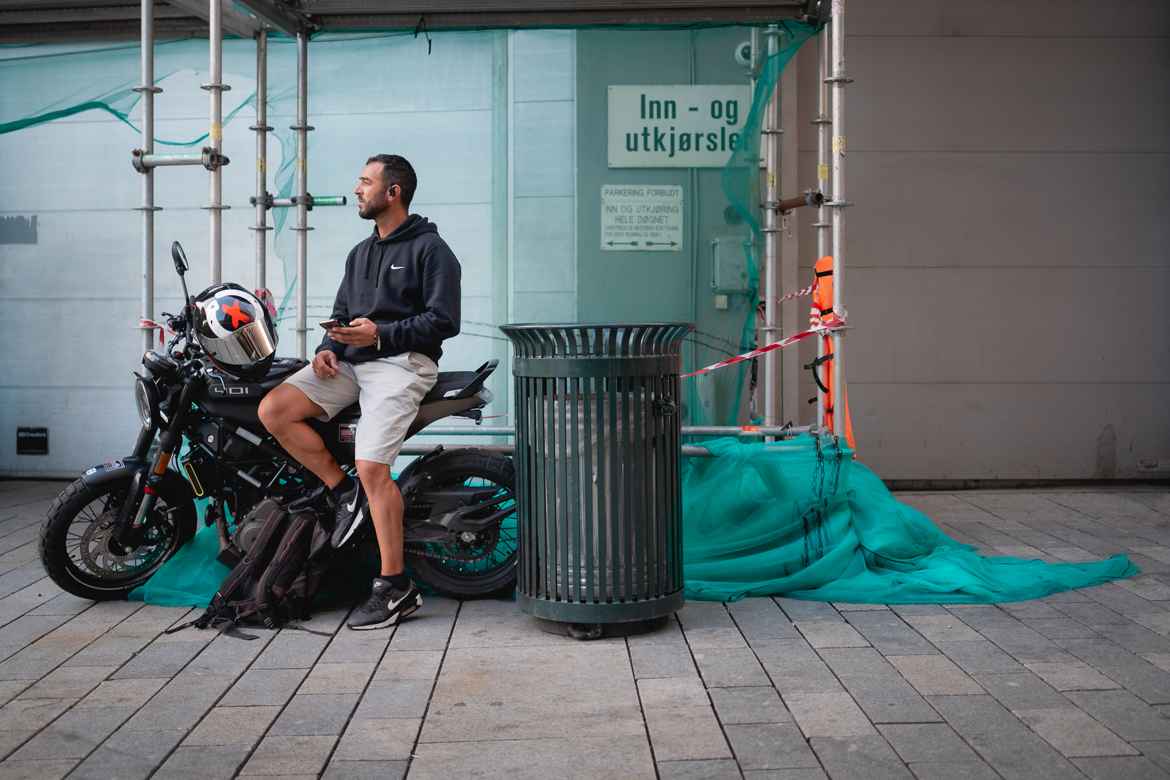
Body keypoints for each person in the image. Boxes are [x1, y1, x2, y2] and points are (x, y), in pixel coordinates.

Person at [258, 154, 461, 630]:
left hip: (403, 363)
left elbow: (444, 320)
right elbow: (342, 312)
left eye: (366, 182)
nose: (357, 189)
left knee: (374, 466)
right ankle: (342, 490)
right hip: (352, 363)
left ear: (393, 193)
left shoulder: (432, 250)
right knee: (275, 409)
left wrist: (382, 335)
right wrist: (329, 346)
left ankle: (395, 586)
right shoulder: (360, 253)